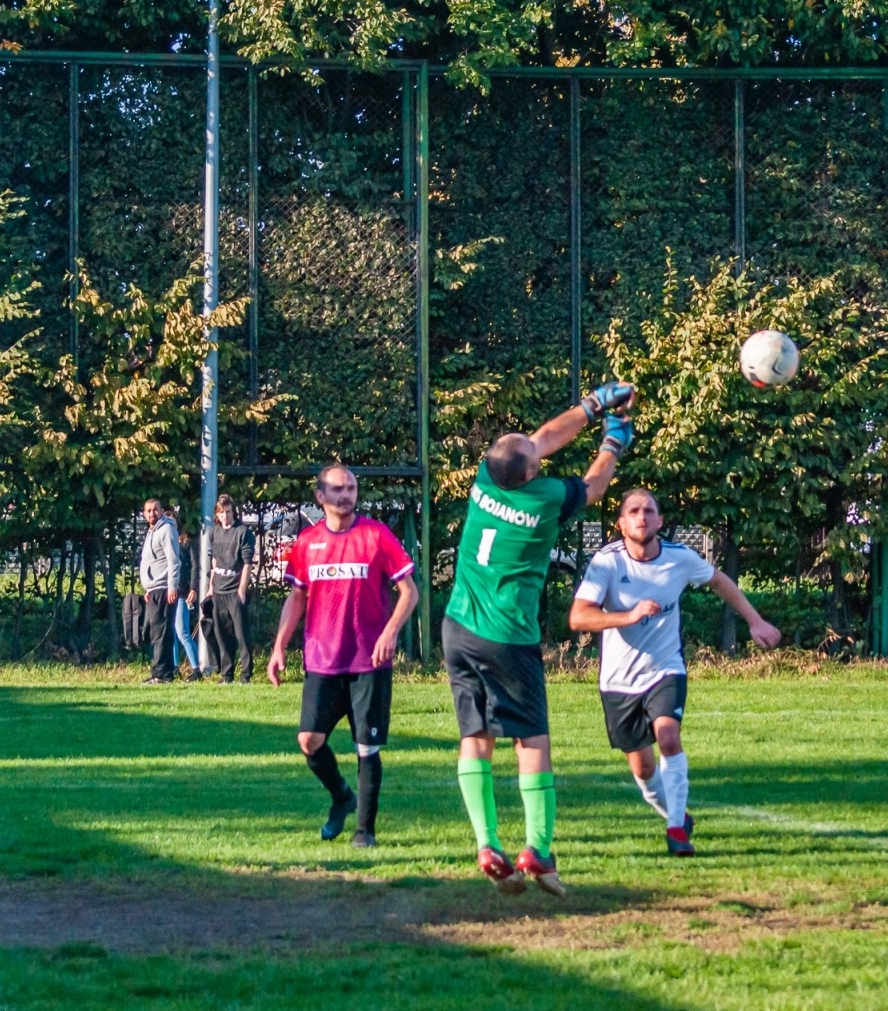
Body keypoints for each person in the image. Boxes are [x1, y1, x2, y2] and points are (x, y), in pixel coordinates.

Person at [446, 381, 635, 897]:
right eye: (532, 455)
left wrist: (594, 404)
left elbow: (543, 439)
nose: (536, 446)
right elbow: (594, 486)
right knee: (533, 739)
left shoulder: (489, 475)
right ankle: (539, 849)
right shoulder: (545, 498)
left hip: (458, 627)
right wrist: (614, 438)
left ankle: (486, 843)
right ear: (529, 474)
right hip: (507, 635)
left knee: (475, 736)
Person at [569, 488, 780, 856]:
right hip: (618, 681)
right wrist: (628, 616)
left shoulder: (679, 558)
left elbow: (719, 581)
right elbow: (578, 616)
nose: (641, 516)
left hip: (665, 669)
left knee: (668, 737)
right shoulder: (607, 562)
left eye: (649, 510)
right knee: (643, 766)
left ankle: (675, 832)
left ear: (660, 520)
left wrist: (755, 621)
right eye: (633, 511)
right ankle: (677, 816)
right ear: (621, 524)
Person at [267, 466, 419, 848]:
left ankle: (365, 832)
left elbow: (409, 592)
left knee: (366, 748)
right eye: (337, 489)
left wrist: (390, 632)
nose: (345, 494)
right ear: (320, 496)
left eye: (351, 488)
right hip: (322, 660)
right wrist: (279, 645)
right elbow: (297, 596)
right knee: (309, 740)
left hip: (369, 662)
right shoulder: (307, 542)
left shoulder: (376, 535)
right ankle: (341, 797)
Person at [207, 494, 256, 684]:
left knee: (241, 634)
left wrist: (242, 588)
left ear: (233, 511)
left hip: (235, 591)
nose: (225, 516)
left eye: (228, 512)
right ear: (216, 515)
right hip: (218, 589)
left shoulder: (243, 532)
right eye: (221, 513)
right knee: (221, 635)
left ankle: (246, 675)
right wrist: (211, 587)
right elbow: (214, 561)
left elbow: (247, 563)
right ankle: (226, 674)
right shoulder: (215, 532)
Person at [139, 498, 181, 685]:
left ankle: (160, 674)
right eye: (148, 511)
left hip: (164, 588)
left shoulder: (166, 529)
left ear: (162, 511)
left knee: (161, 632)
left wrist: (172, 586)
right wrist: (148, 588)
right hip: (154, 589)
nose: (152, 513)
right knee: (157, 630)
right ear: (144, 513)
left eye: (155, 510)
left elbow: (173, 560)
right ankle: (166, 672)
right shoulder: (152, 531)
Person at [173, 521, 202, 680]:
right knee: (170, 632)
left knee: (182, 632)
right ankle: (174, 667)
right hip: (166, 593)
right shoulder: (165, 543)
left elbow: (194, 567)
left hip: (182, 592)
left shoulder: (185, 544)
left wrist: (193, 588)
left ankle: (196, 669)